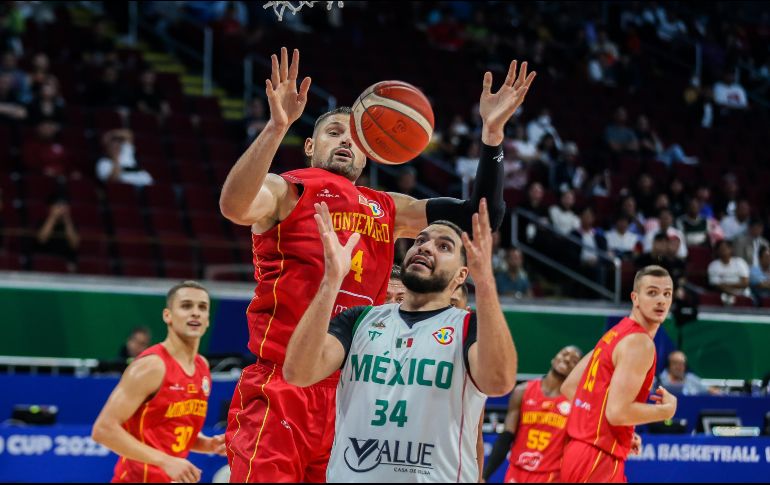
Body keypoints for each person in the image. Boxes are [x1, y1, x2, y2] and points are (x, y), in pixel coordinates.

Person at [218, 47, 535, 482]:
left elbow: (483, 214)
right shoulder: (287, 189)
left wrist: (493, 136)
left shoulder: (389, 208)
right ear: (310, 146)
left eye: (354, 136)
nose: (345, 141)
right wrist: (276, 128)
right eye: (333, 132)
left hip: (352, 391)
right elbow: (234, 206)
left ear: (369, 152)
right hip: (281, 385)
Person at [283, 199, 517, 482]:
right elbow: (297, 373)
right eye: (421, 240)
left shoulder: (468, 326)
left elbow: (499, 382)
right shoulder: (359, 319)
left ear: (461, 275)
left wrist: (486, 283)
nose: (426, 247)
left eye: (444, 246)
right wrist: (331, 281)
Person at [91, 281, 226, 483]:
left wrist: (208, 444)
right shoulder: (152, 366)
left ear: (207, 320)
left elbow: (167, 431)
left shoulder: (202, 366)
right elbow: (103, 430)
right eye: (186, 306)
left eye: (202, 307)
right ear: (167, 316)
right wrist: (166, 461)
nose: (195, 313)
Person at [560, 266, 678, 482]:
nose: (661, 300)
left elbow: (569, 387)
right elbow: (617, 412)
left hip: (579, 453)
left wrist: (619, 432)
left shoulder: (615, 333)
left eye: (667, 294)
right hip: (596, 460)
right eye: (652, 292)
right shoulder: (640, 343)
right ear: (635, 298)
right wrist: (666, 411)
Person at [483, 346, 583, 483]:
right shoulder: (522, 391)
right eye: (564, 354)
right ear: (554, 359)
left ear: (576, 371)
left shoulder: (575, 401)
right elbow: (506, 437)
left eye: (574, 360)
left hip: (551, 475)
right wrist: (485, 476)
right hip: (517, 471)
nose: (567, 359)